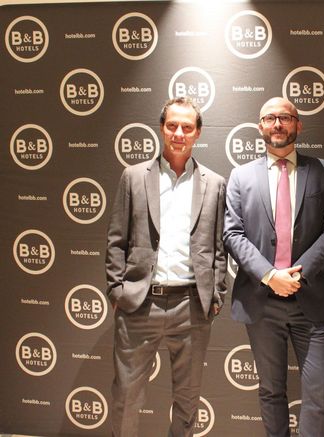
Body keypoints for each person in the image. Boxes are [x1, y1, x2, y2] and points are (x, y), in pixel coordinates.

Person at [105, 97, 227, 436]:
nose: (178, 133)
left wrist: (216, 294)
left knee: (188, 401)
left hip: (192, 306)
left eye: (187, 127)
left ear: (198, 133)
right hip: (140, 304)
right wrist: (117, 291)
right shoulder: (133, 177)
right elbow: (116, 239)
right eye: (172, 125)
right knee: (126, 396)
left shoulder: (215, 183)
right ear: (161, 128)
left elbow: (218, 247)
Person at [223, 97, 324, 437]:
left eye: (285, 118)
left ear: (298, 125)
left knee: (318, 392)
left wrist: (297, 276)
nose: (277, 124)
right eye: (270, 118)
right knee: (271, 390)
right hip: (261, 301)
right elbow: (232, 234)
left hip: (310, 300)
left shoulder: (323, 171)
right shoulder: (241, 176)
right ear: (260, 126)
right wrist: (270, 276)